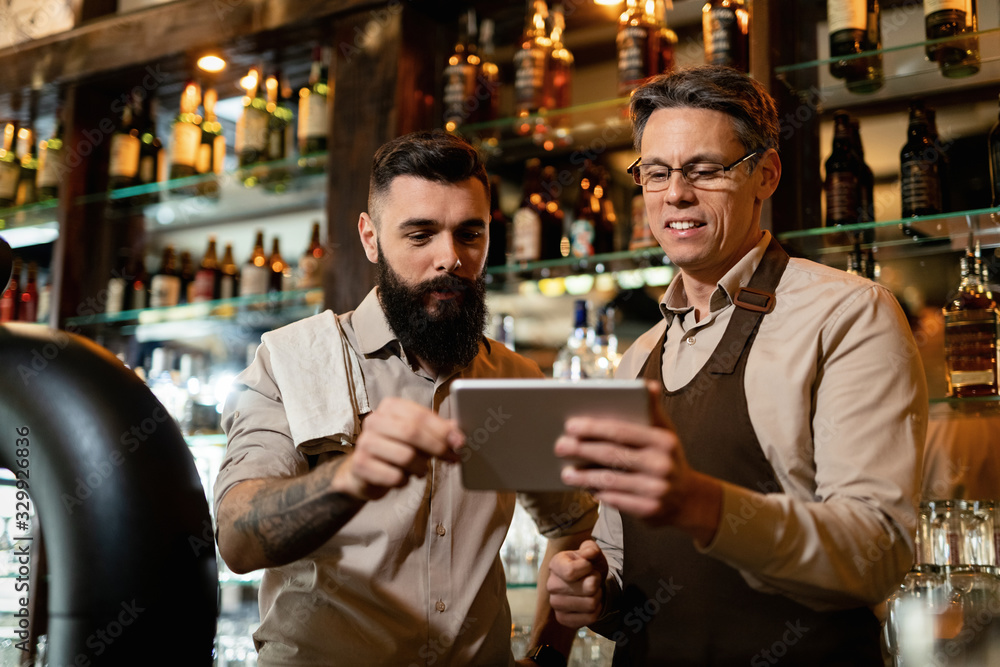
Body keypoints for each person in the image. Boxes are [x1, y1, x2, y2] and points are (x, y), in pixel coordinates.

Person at [545, 66, 928, 665]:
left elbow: (876, 553)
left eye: (705, 170)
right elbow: (625, 554)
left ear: (765, 175)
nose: (675, 194)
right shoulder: (637, 356)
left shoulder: (848, 314)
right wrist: (596, 591)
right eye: (656, 172)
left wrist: (707, 505)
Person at [214, 131, 596, 666]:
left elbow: (573, 527)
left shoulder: (515, 380)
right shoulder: (291, 359)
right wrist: (347, 480)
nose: (451, 259)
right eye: (420, 235)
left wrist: (549, 654)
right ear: (370, 238)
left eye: (470, 234)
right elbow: (237, 539)